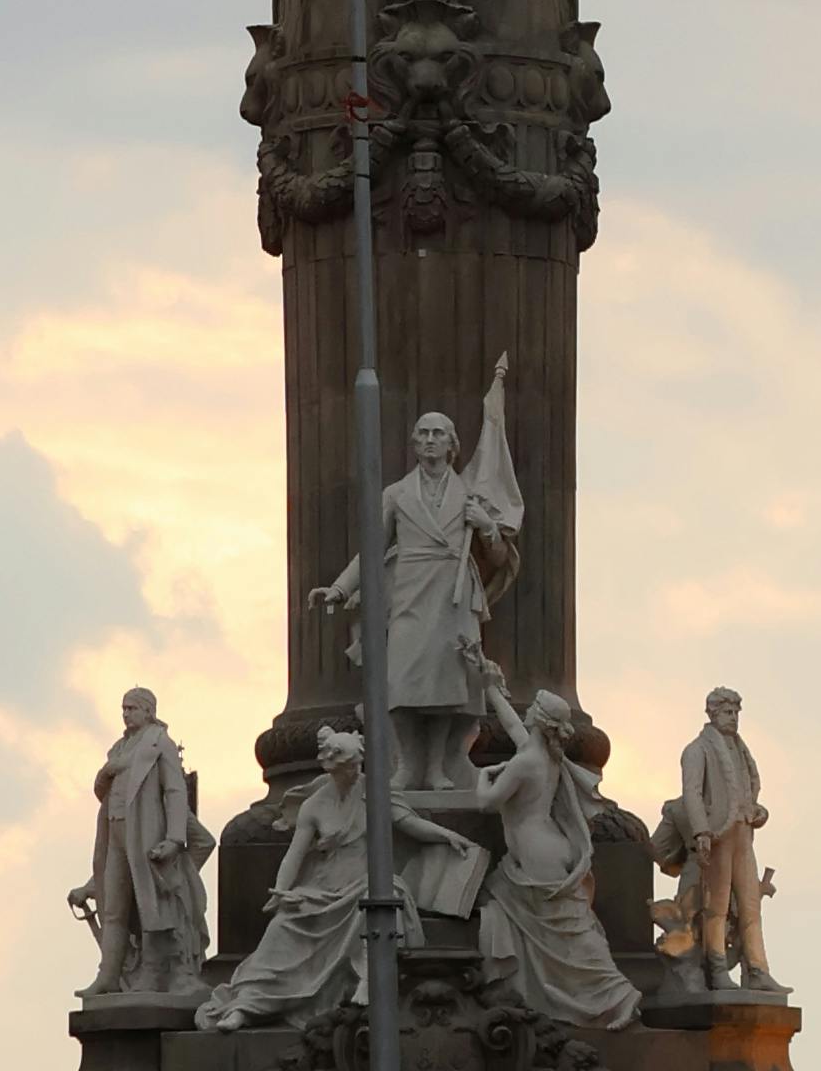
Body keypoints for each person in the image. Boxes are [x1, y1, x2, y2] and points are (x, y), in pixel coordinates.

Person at [309, 364, 525, 810]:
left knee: (449, 685)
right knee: (403, 682)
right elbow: (371, 549)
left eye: (437, 434)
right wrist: (339, 589)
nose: (429, 440)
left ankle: (437, 767)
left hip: (454, 594)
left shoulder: (472, 495)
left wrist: (486, 528)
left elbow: (499, 558)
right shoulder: (395, 495)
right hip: (409, 591)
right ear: (414, 444)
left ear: (452, 445)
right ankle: (407, 763)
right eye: (423, 433)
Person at [468, 670, 641, 1037]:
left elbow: (486, 804)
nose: (526, 710)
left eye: (532, 707)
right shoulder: (543, 755)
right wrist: (491, 689)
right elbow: (514, 727)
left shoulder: (524, 762)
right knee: (557, 925)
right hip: (550, 846)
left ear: (539, 717)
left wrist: (483, 775)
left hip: (536, 855)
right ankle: (525, 988)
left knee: (568, 934)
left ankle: (618, 995)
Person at [195, 724, 387, 1029]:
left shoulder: (374, 794)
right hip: (323, 888)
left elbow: (408, 824)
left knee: (377, 910)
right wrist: (281, 891)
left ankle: (366, 981)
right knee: (281, 927)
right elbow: (294, 856)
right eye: (347, 767)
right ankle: (245, 1006)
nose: (354, 773)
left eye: (356, 766)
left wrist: (446, 836)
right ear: (331, 767)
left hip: (365, 885)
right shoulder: (315, 805)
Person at [74, 691, 207, 998]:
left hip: (145, 834)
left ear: (148, 711)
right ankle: (108, 975)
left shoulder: (160, 743)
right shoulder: (118, 748)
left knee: (150, 907)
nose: (126, 713)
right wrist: (106, 771)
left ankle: (151, 973)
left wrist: (174, 838)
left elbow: (175, 791)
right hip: (115, 835)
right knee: (113, 907)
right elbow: (102, 792)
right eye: (123, 708)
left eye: (132, 708)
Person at [672, 691, 778, 992]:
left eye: (735, 712)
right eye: (727, 712)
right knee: (716, 907)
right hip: (718, 836)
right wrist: (702, 832)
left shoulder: (741, 751)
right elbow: (692, 794)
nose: (733, 718)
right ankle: (717, 969)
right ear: (712, 714)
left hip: (743, 835)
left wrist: (758, 811)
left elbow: (746, 794)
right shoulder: (697, 750)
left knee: (750, 906)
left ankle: (757, 970)